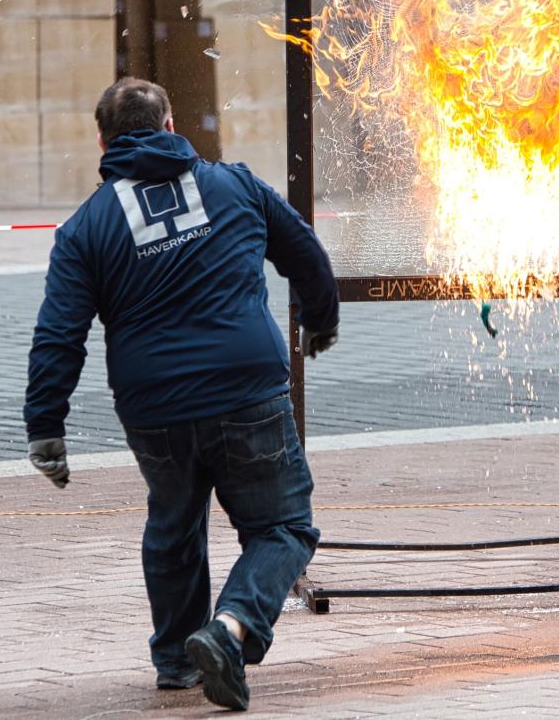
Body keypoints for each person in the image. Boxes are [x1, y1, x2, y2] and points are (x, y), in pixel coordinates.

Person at [23, 77, 339, 712]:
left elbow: (60, 333)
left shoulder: (86, 227)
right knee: (283, 525)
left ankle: (175, 662)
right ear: (170, 124)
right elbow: (304, 251)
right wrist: (320, 318)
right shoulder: (234, 184)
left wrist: (45, 425)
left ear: (103, 141)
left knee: (174, 524)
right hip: (247, 388)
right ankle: (230, 629)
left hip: (154, 407)